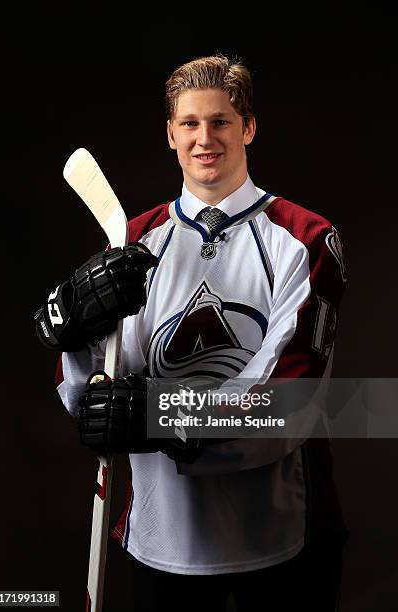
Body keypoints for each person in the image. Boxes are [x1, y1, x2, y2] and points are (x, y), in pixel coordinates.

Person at [35, 55, 348, 611]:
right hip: (158, 536)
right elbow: (88, 396)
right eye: (190, 123)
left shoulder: (305, 238)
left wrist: (156, 414)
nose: (206, 138)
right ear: (171, 135)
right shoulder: (132, 240)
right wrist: (72, 328)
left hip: (281, 536)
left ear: (248, 127)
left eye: (222, 121)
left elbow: (289, 402)